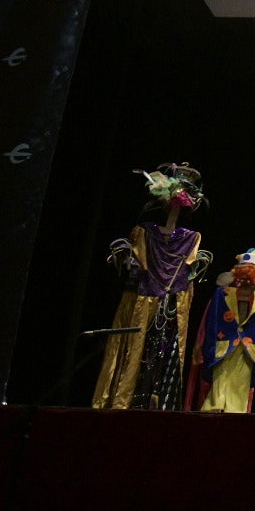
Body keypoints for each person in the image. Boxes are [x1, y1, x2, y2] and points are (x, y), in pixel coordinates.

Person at [93, 162, 211, 410]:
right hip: (142, 302)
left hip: (170, 307)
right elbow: (131, 269)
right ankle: (122, 403)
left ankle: (157, 405)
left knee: (161, 360)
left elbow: (189, 272)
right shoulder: (144, 233)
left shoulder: (191, 239)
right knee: (133, 354)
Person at [185, 250, 255, 413]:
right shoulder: (222, 294)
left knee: (241, 384)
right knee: (220, 381)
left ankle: (236, 413)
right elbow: (213, 320)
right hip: (224, 345)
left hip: (248, 348)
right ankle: (213, 409)